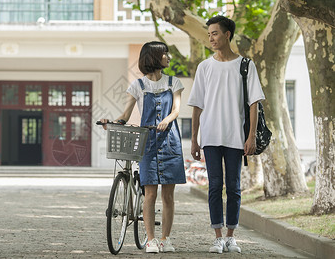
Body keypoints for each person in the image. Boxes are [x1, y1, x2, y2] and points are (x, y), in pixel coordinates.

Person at [187, 16, 265, 254]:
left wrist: (251, 137)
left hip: (235, 137)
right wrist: (194, 138)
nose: (211, 38)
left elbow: (254, 104)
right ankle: (217, 237)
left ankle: (231, 236)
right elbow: (197, 105)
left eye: (215, 33)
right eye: (209, 34)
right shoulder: (204, 67)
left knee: (234, 187)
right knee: (214, 187)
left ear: (227, 35)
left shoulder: (245, 65)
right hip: (210, 135)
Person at [100, 41, 186, 253]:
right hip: (148, 144)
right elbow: (126, 114)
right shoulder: (137, 86)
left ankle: (165, 238)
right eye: (165, 53)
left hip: (170, 142)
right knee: (150, 194)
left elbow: (176, 110)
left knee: (168, 195)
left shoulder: (174, 83)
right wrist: (112, 122)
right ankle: (150, 240)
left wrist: (167, 120)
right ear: (155, 57)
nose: (169, 57)